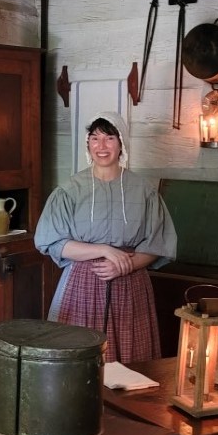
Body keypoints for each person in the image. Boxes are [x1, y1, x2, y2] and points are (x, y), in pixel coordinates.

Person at [34, 111, 177, 364]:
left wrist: (126, 264)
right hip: (82, 285)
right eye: (95, 138)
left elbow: (158, 243)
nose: (101, 146)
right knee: (79, 359)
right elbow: (53, 242)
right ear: (87, 144)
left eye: (109, 138)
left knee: (133, 360)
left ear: (121, 143)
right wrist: (104, 250)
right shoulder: (69, 190)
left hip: (131, 285)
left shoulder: (144, 190)